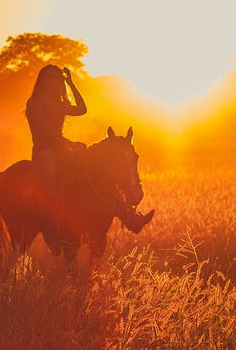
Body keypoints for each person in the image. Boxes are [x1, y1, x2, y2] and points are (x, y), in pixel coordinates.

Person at [25, 64, 152, 233]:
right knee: (52, 192)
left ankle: (129, 217)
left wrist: (70, 83)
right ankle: (54, 229)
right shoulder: (34, 103)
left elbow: (81, 109)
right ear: (42, 81)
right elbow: (48, 134)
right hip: (45, 153)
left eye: (57, 78)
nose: (54, 81)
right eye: (49, 77)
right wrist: (70, 144)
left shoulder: (59, 103)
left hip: (64, 150)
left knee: (97, 177)